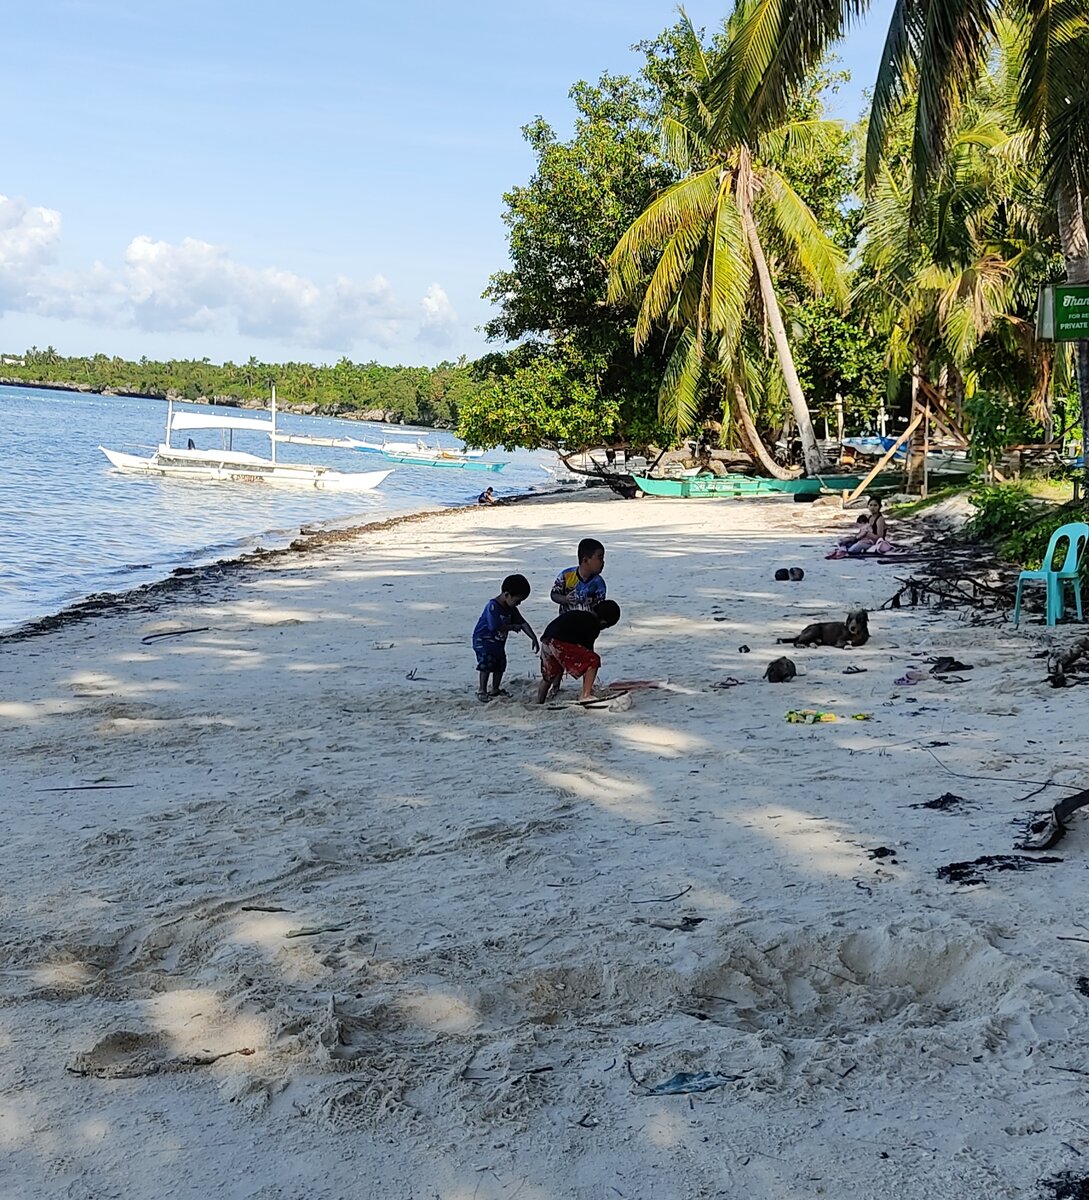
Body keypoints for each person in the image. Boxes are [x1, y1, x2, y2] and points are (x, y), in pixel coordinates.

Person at [536, 600, 621, 704]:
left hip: (547, 639)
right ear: (603, 622)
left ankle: (541, 700)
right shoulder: (593, 624)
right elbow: (589, 654)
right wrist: (589, 683)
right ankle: (586, 695)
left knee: (549, 675)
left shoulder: (580, 615)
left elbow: (559, 655)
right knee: (594, 660)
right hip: (559, 642)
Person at [472, 574, 538, 702]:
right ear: (507, 595)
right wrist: (512, 627)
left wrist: (533, 637)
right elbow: (494, 626)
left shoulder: (511, 608)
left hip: (497, 643)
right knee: (486, 663)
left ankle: (495, 689)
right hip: (483, 641)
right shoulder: (493, 606)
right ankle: (482, 690)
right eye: (517, 600)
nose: (518, 604)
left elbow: (523, 623)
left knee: (500, 663)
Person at [551, 538, 607, 612]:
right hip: (567, 621)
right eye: (600, 558)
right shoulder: (566, 575)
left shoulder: (598, 582)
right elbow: (554, 595)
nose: (603, 562)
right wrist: (565, 599)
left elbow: (600, 608)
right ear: (585, 560)